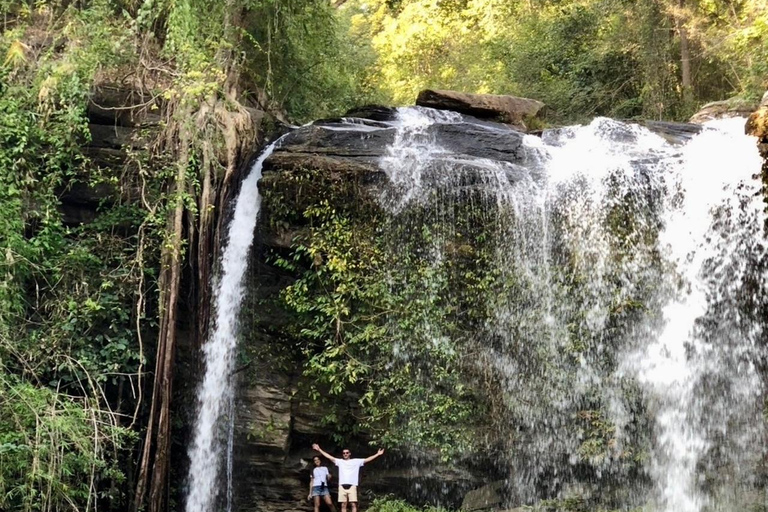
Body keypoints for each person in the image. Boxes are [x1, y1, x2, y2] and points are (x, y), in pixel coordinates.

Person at [312, 444, 385, 512]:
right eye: (344, 453)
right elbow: (329, 457)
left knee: (353, 504)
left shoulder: (356, 461)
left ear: (350, 453)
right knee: (343, 504)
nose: (345, 454)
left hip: (352, 485)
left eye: (347, 453)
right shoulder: (340, 461)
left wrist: (377, 454)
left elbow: (367, 459)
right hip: (342, 486)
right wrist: (319, 449)